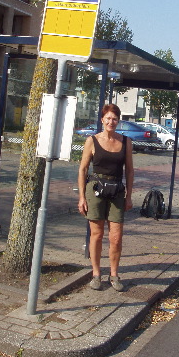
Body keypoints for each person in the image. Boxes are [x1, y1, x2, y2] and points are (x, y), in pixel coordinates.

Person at [78, 103, 134, 291]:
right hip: (95, 190)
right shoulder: (92, 141)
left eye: (115, 119)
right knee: (97, 234)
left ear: (118, 121)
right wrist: (81, 197)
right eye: (108, 118)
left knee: (116, 237)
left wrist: (129, 196)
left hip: (117, 190)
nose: (111, 122)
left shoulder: (125, 142)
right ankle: (96, 274)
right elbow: (83, 169)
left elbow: (130, 170)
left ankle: (114, 274)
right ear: (102, 119)